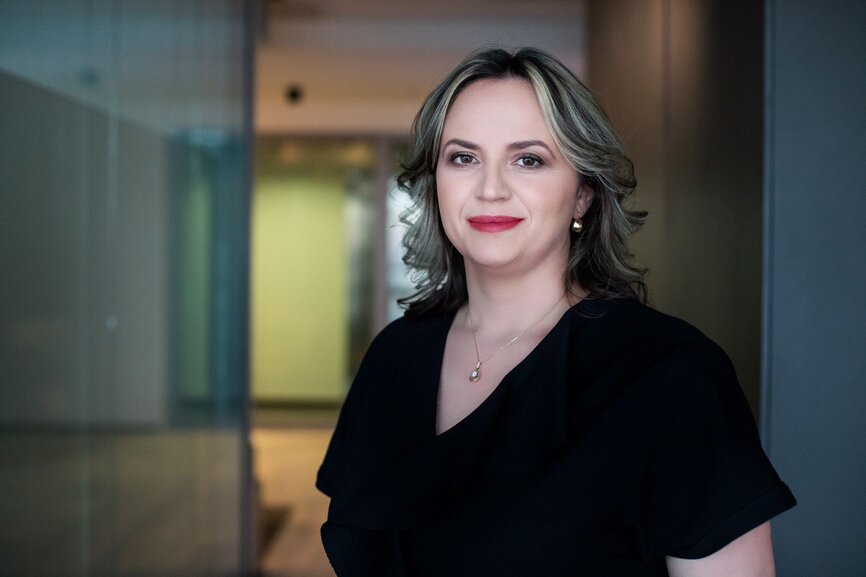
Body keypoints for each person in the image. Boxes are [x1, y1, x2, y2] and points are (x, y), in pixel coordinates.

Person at [316, 47, 795, 576]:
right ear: (436, 183)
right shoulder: (394, 356)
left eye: (528, 160)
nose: (490, 189)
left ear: (583, 195)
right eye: (463, 158)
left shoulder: (670, 373)